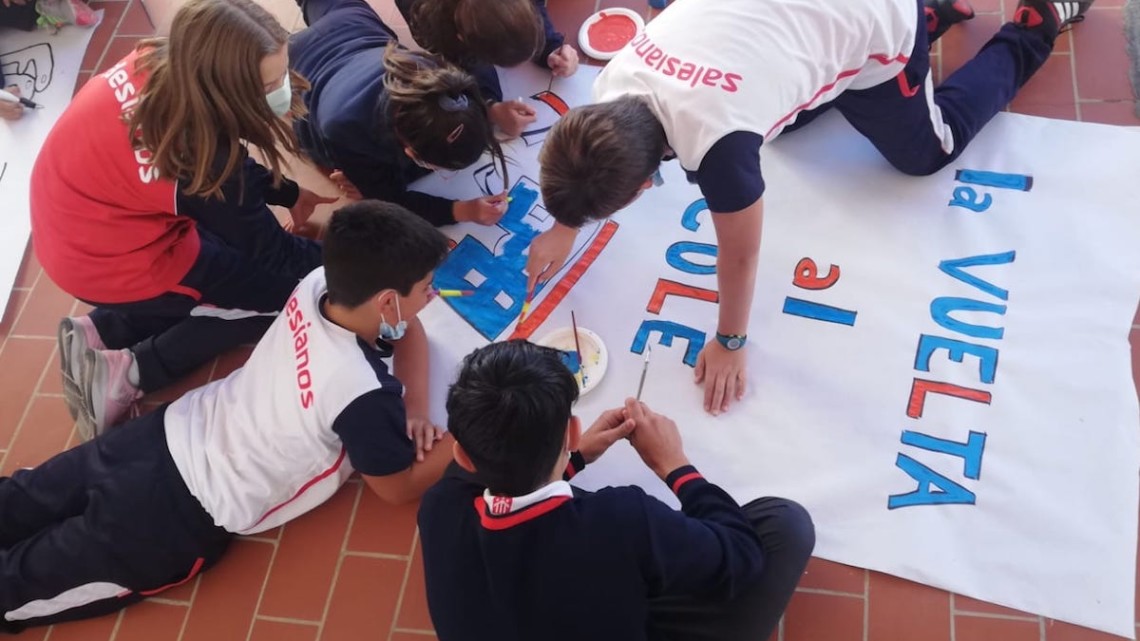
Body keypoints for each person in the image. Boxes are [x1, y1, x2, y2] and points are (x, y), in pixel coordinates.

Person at [532, 0, 1083, 417]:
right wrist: (565, 223)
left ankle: (1033, 26)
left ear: (637, 192)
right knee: (783, 131)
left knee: (927, 151)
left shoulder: (720, 146)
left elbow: (741, 258)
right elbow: (588, 155)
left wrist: (730, 342)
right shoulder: (610, 88)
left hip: (875, 19)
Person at [0, 200, 455, 632]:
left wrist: (414, 406)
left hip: (160, 436)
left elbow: (405, 325)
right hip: (172, 520)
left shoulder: (321, 284)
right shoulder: (362, 397)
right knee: (16, 585)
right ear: (387, 301)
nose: (431, 293)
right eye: (425, 286)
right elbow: (397, 487)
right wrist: (474, 439)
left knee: (20, 498)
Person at [30, 0, 335, 439]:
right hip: (105, 259)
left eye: (281, 73)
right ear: (225, 89)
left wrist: (288, 193)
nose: (282, 89)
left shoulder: (165, 61)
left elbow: (227, 179)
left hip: (75, 224)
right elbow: (274, 252)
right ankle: (128, 374)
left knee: (222, 254)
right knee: (280, 298)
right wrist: (346, 269)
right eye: (269, 84)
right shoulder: (198, 155)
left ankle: (102, 328)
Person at [419, 340, 815, 641]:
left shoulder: (438, 507)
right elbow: (740, 559)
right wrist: (674, 465)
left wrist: (574, 460)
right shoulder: (620, 521)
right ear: (572, 431)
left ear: (462, 456)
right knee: (784, 525)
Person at [289, 0, 521, 228]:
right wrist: (462, 210)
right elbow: (388, 198)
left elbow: (472, 81)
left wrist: (491, 109)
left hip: (351, 25)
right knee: (262, 46)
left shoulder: (438, 80)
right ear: (410, 153)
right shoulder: (345, 128)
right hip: (300, 68)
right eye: (438, 169)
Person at [394, 0, 579, 86]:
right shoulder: (427, 23)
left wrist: (550, 47)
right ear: (462, 38)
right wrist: (490, 104)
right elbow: (460, 57)